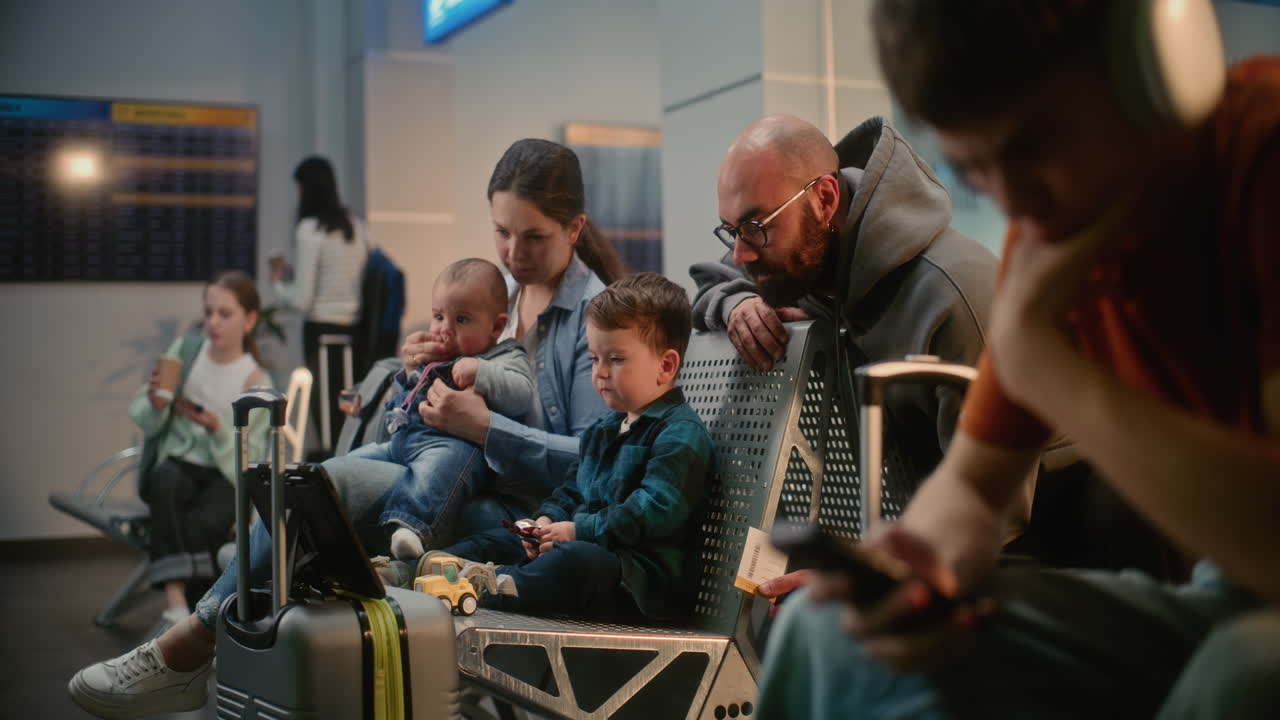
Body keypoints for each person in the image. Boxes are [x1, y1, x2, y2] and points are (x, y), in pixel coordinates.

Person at [756, 2, 1280, 718]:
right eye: (975, 172)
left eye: (1036, 145)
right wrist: (919, 569)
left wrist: (1055, 372)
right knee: (825, 633)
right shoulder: (1057, 230)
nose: (1014, 200)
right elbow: (973, 489)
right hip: (1227, 601)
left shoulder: (1263, 163)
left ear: (1155, 69)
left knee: (1244, 672)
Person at [67, 138, 627, 719]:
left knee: (320, 512)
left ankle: (187, 649)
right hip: (448, 472)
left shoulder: (598, 316)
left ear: (575, 228)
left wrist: (488, 431)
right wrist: (420, 366)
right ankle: (196, 647)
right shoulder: (498, 295)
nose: (513, 251)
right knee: (308, 488)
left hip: (519, 515)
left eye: (532, 235)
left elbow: (600, 461)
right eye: (501, 232)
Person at [692, 113, 1001, 602]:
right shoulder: (825, 273)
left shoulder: (952, 298)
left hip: (1031, 557)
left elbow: (992, 507)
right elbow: (712, 280)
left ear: (825, 200)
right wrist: (737, 305)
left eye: (755, 227)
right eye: (731, 230)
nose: (741, 256)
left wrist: (865, 577)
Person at [416, 272, 714, 620]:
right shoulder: (604, 428)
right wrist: (545, 521)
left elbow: (651, 514)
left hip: (636, 585)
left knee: (575, 561)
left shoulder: (680, 434)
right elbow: (571, 490)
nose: (600, 372)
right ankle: (426, 573)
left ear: (665, 366)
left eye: (616, 360)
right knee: (508, 534)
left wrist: (578, 531)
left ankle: (487, 586)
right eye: (594, 359)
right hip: (590, 553)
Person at [354, 257, 534, 561]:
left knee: (435, 473)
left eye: (461, 320)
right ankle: (325, 497)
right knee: (357, 462)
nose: (444, 330)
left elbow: (522, 394)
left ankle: (410, 528)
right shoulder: (434, 354)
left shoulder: (505, 356)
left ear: (497, 326)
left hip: (454, 447)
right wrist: (410, 370)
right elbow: (407, 395)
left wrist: (480, 371)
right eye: (438, 316)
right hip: (402, 441)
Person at [132, 271, 272, 629]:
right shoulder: (185, 352)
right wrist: (155, 404)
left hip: (224, 474)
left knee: (204, 523)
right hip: (179, 462)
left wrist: (219, 429)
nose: (213, 322)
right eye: (209, 312)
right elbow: (146, 419)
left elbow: (251, 457)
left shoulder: (255, 381)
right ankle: (179, 604)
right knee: (165, 481)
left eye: (225, 314)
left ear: (250, 319)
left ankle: (195, 615)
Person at [271, 155, 369, 452]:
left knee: (325, 420)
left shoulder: (309, 230)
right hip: (355, 334)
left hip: (321, 331)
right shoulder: (356, 226)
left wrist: (278, 283)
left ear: (305, 189)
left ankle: (330, 479)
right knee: (348, 413)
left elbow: (302, 300)